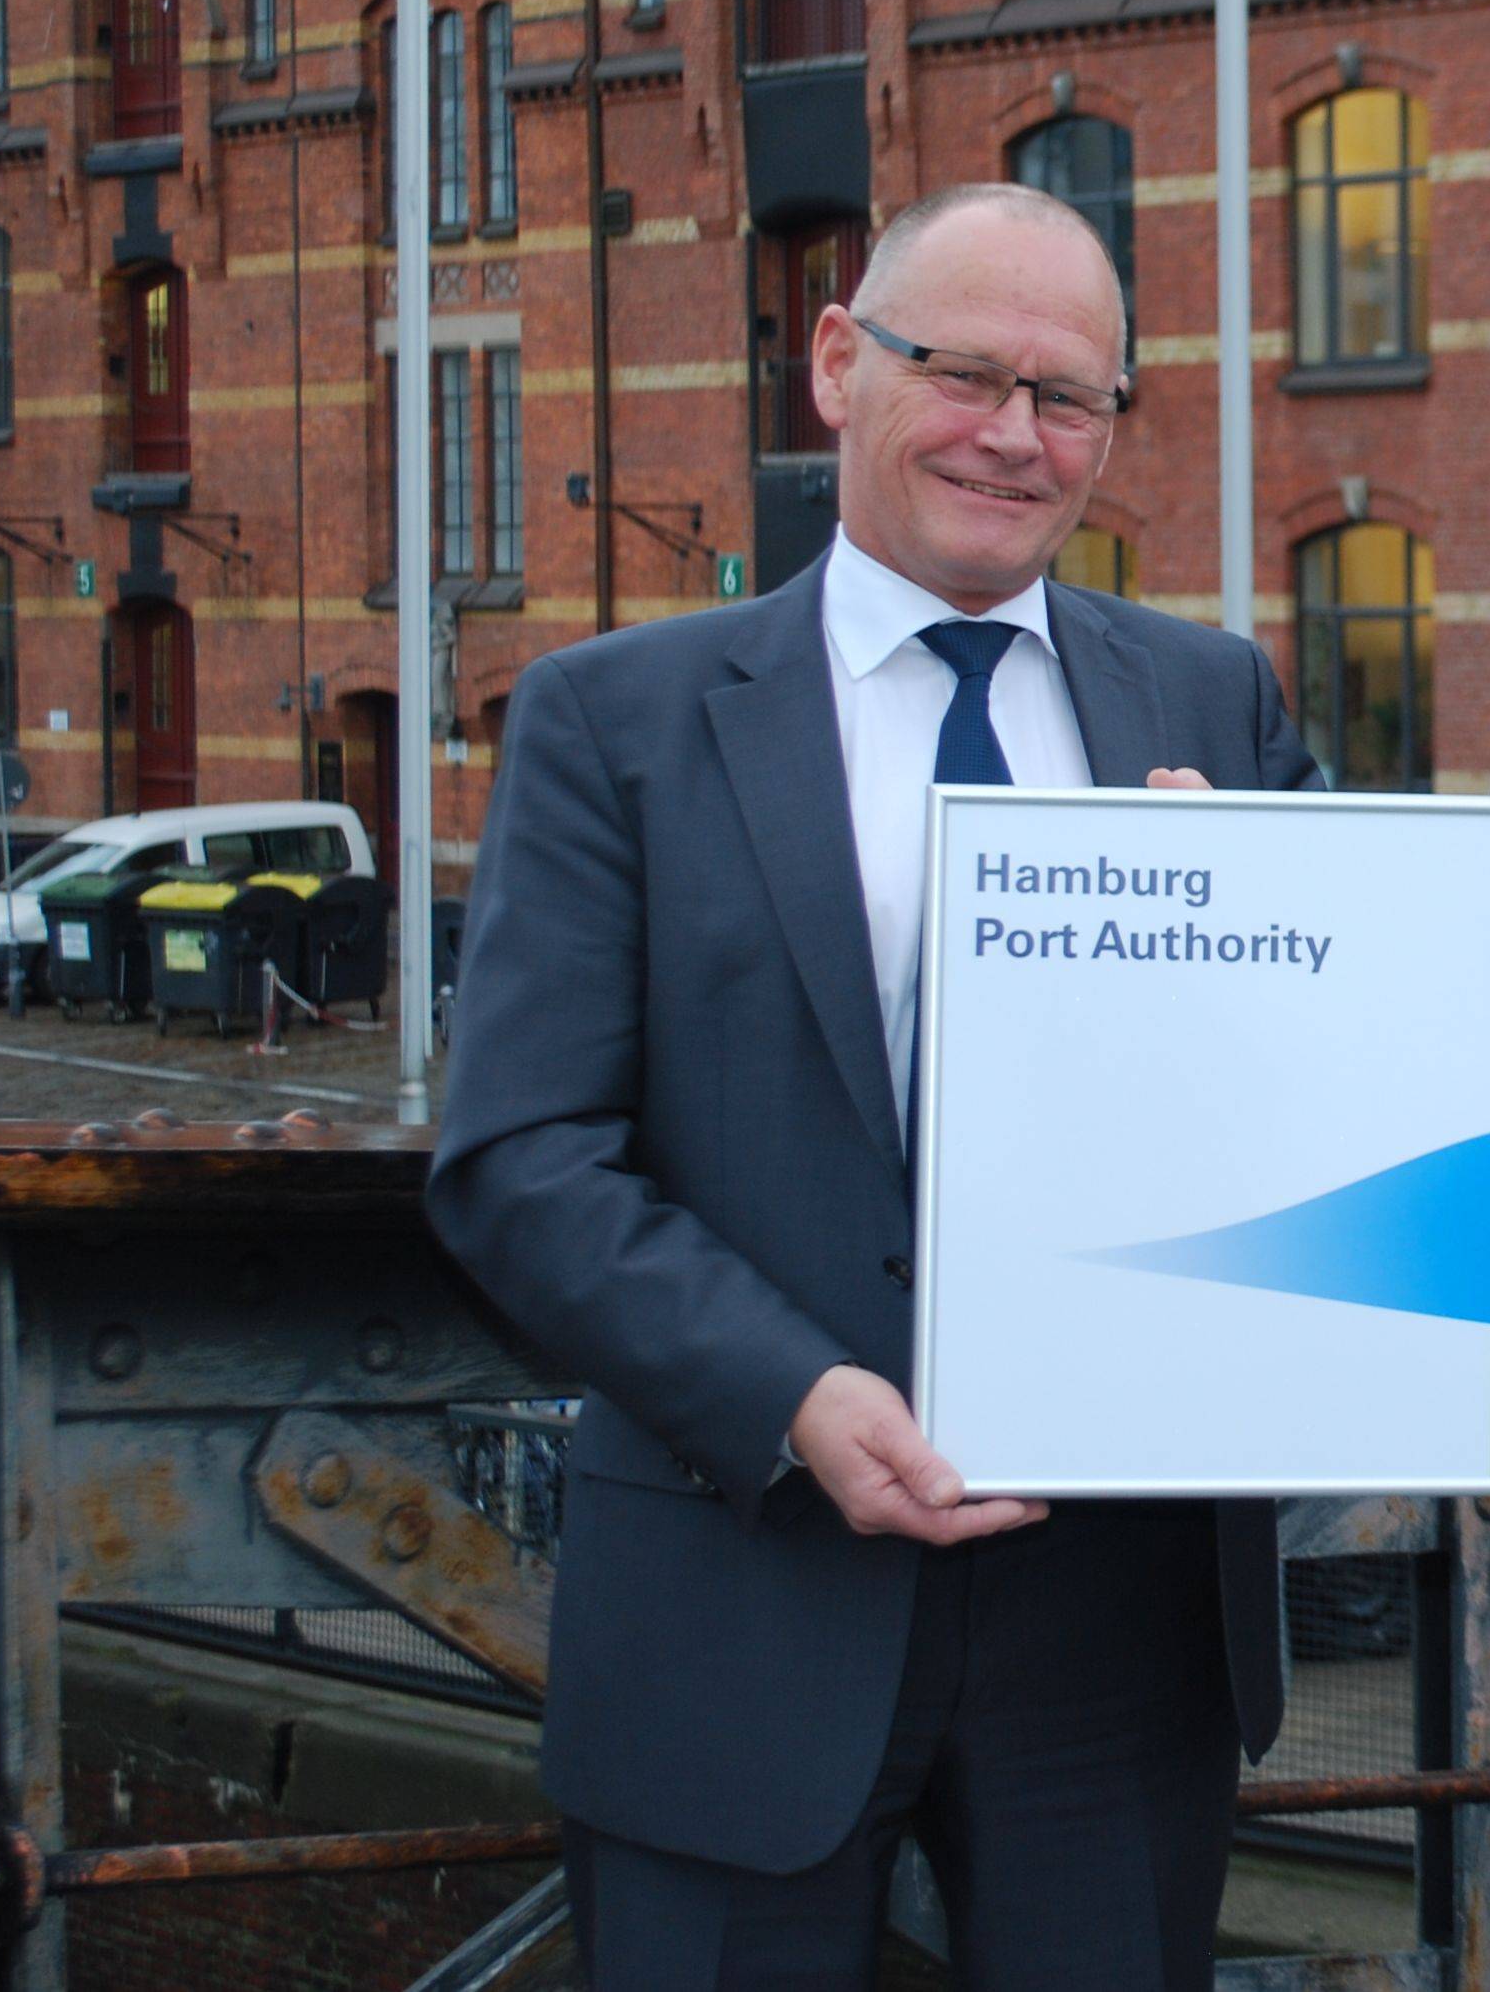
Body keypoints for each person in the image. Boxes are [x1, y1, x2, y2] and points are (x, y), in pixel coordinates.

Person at [428, 182, 1319, 1992]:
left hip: (1118, 1627)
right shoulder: (613, 718)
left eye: (1068, 396)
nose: (1015, 434)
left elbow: (1344, 1094)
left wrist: (1261, 943)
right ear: (840, 363)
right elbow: (519, 1156)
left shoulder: (1215, 705)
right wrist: (790, 1394)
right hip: (746, 1579)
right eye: (965, 373)